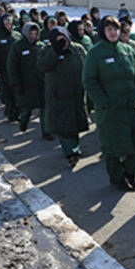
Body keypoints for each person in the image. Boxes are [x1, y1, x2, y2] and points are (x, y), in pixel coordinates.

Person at [82, 16, 135, 191]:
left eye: (115, 29)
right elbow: (89, 80)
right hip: (110, 109)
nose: (113, 32)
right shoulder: (95, 53)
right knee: (111, 147)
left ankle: (130, 172)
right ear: (103, 32)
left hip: (133, 106)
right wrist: (103, 101)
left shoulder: (127, 49)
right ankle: (117, 178)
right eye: (109, 29)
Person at [38, 26, 89, 168]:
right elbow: (42, 65)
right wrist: (56, 50)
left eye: (64, 40)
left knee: (76, 124)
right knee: (64, 127)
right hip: (59, 95)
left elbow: (87, 66)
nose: (63, 43)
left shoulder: (78, 49)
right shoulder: (47, 50)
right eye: (59, 40)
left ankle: (75, 149)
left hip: (77, 93)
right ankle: (70, 153)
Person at [7, 22, 49, 138]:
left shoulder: (41, 46)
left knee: (44, 108)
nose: (33, 36)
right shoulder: (17, 47)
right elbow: (12, 67)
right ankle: (23, 123)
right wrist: (16, 83)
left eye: (35, 33)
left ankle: (46, 132)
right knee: (26, 108)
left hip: (41, 83)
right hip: (26, 84)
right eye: (31, 33)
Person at [0, 15, 22, 123]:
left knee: (18, 92)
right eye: (6, 24)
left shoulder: (17, 35)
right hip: (2, 70)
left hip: (16, 70)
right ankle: (11, 115)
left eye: (10, 23)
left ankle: (17, 114)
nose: (9, 26)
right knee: (7, 94)